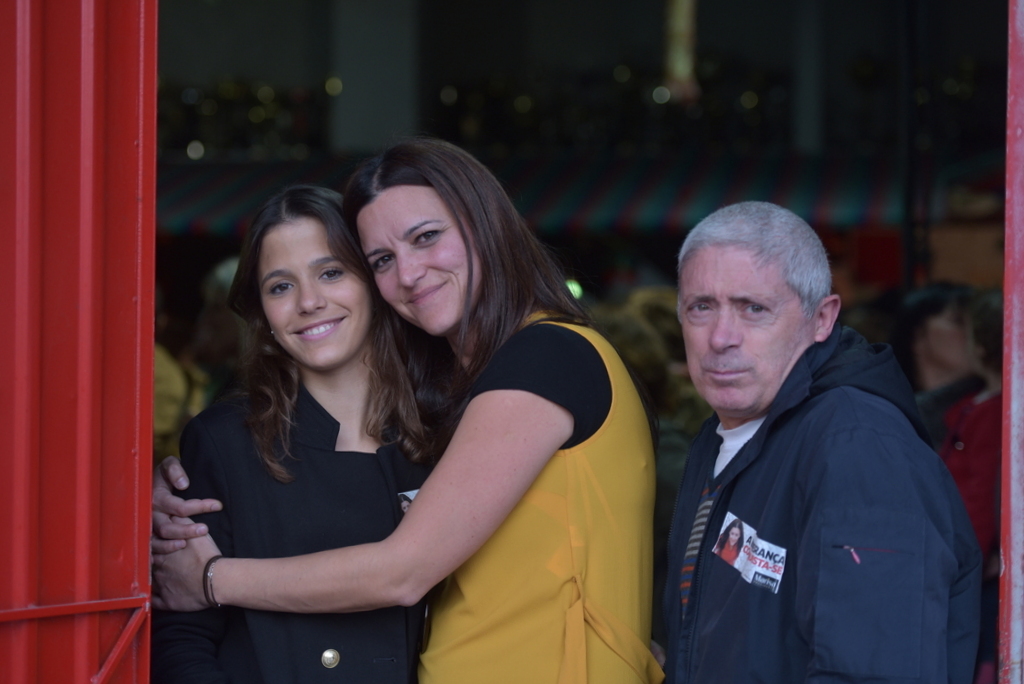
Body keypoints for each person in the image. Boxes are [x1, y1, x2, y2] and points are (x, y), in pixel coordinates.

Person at [152, 138, 663, 684]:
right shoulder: (464, 398)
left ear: (483, 222)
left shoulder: (537, 360)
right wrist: (141, 501)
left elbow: (404, 571)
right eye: (383, 260)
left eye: (426, 237)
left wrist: (210, 578)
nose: (410, 272)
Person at [663, 201, 982, 683]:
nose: (721, 337)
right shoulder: (723, 434)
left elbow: (875, 673)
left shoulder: (859, 446)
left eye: (754, 308)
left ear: (822, 318)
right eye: (701, 307)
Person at [150, 185, 430, 683]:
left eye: (331, 272)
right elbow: (180, 636)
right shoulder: (223, 440)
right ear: (261, 312)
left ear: (373, 281)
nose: (309, 302)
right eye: (280, 286)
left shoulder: (442, 433)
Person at [938, 289, 1003, 684]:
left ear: (979, 346)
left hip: (973, 570)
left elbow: (979, 497)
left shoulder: (993, 414)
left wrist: (968, 557)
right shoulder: (980, 406)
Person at [889, 282, 984, 448]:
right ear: (918, 336)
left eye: (977, 323)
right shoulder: (889, 411)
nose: (973, 332)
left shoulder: (989, 408)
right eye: (959, 321)